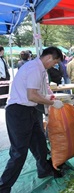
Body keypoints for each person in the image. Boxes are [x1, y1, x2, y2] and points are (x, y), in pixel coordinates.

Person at [0, 47, 64, 193]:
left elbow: (37, 92)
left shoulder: (39, 68)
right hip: (18, 111)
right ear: (48, 58)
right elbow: (32, 96)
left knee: (39, 142)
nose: (53, 65)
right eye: (54, 62)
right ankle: (3, 187)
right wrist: (52, 103)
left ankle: (44, 170)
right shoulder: (34, 68)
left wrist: (49, 97)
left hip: (30, 110)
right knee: (19, 152)